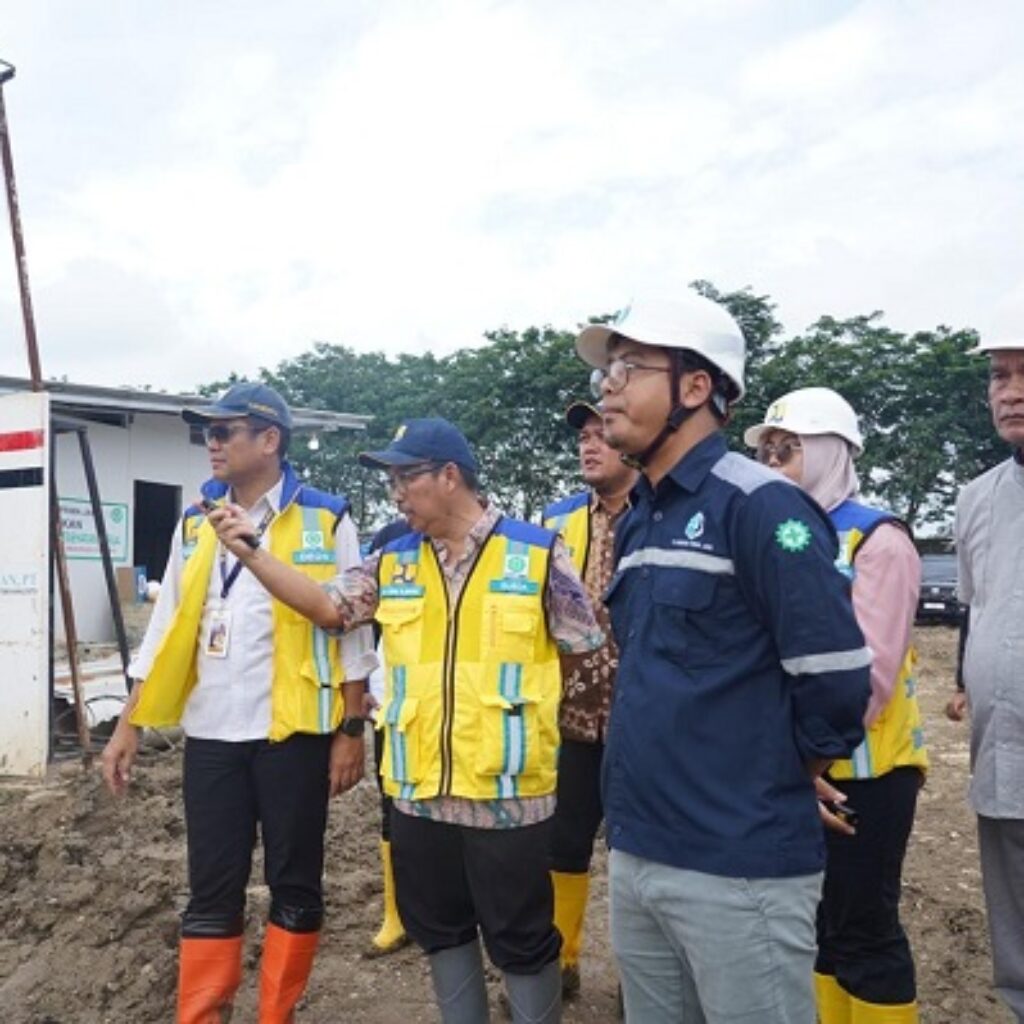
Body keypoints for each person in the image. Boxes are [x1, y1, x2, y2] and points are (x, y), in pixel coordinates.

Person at [205, 417, 604, 1024]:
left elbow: (582, 646)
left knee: (523, 940)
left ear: (449, 477)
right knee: (441, 931)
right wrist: (252, 552)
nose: (394, 493)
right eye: (389, 479)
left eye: (404, 477)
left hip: (508, 797)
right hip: (418, 796)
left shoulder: (538, 553)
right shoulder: (392, 563)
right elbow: (324, 605)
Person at [574, 294, 871, 1024]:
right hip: (642, 851)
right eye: (606, 372)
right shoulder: (645, 513)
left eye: (629, 368)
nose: (607, 386)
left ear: (696, 387)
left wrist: (776, 775)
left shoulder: (763, 507)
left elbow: (834, 678)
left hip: (737, 865)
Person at [100, 382, 375, 1024]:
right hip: (213, 735)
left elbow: (354, 635)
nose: (211, 443)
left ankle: (276, 1014)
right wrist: (127, 726)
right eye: (208, 433)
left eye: (225, 432)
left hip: (296, 736)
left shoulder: (327, 518)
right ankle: (203, 1015)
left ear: (270, 440)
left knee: (295, 883)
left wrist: (351, 729)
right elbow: (168, 627)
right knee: (212, 888)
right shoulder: (196, 521)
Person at [746, 386, 927, 1024]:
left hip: (864, 773)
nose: (771, 459)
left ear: (830, 451)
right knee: (822, 929)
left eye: (786, 448)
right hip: (800, 771)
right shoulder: (782, 534)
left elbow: (871, 674)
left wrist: (808, 767)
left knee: (866, 928)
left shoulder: (878, 539)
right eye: (765, 449)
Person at [541, 400, 637, 1000]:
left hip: (641, 722)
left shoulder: (662, 511)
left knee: (637, 853)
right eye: (583, 436)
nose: (589, 445)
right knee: (562, 844)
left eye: (603, 434)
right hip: (571, 717)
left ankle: (643, 981)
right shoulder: (554, 521)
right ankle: (562, 962)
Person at [945, 334, 1024, 1023]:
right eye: (1001, 375)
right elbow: (977, 606)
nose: (1011, 390)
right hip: (1002, 747)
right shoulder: (977, 497)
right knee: (1016, 926)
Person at [364, 517, 413, 958]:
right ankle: (397, 915)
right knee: (391, 804)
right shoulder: (392, 541)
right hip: (393, 702)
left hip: (456, 706)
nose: (400, 489)